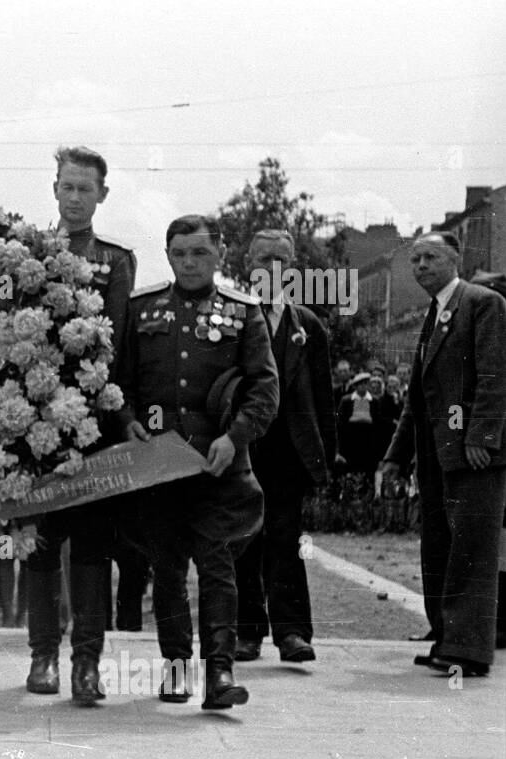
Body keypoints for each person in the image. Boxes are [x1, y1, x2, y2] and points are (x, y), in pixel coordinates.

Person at [24, 145, 178, 695]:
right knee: (38, 539)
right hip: (29, 421)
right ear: (55, 188)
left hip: (92, 421)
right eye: (67, 186)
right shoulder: (27, 252)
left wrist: (118, 412)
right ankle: (42, 656)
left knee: (91, 543)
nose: (74, 198)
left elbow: (113, 342)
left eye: (85, 189)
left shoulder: (115, 261)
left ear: (102, 195)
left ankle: (86, 661)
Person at [111, 214, 278, 710]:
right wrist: (128, 422)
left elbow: (264, 388)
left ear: (220, 255)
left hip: (218, 465)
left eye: (199, 253)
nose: (189, 263)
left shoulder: (244, 312)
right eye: (180, 254)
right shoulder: (141, 309)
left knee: (217, 566)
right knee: (166, 570)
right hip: (160, 466)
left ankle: (220, 673)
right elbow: (120, 382)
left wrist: (235, 438)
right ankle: (178, 669)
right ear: (168, 256)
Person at [380, 232, 506, 678]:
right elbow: (417, 399)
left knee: (472, 547)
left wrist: (483, 437)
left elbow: (495, 375)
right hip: (436, 453)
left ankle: (469, 649)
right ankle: (446, 635)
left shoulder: (483, 303)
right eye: (414, 260)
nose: (420, 266)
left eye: (430, 257)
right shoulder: (435, 314)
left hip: (473, 452)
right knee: (439, 545)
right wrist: (394, 457)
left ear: (455, 259)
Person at [233, 230, 338, 663]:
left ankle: (293, 632)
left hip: (289, 454)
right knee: (243, 540)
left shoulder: (308, 325)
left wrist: (324, 461)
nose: (272, 267)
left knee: (286, 540)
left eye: (281, 259)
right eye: (263, 259)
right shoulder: (230, 317)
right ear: (247, 264)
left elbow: (323, 397)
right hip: (243, 448)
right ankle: (246, 633)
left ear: (292, 268)